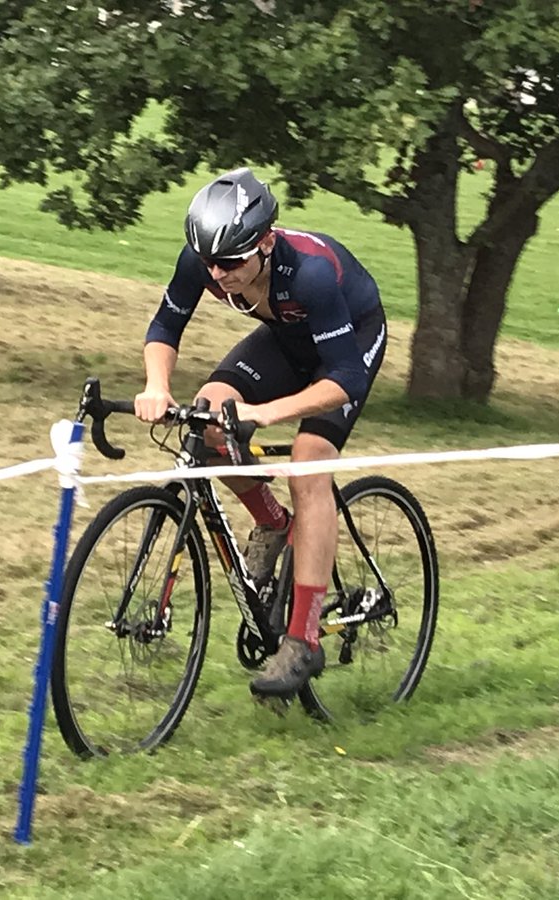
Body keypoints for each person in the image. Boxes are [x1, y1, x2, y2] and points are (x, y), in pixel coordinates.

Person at [136, 168, 387, 699]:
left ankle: (303, 639)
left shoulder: (311, 275)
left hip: (349, 346)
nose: (217, 274)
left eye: (230, 263)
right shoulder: (205, 262)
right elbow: (165, 327)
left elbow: (345, 379)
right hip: (287, 338)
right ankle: (273, 525)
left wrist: (267, 412)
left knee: (307, 462)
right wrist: (157, 386)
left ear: (266, 243)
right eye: (208, 262)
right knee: (206, 419)